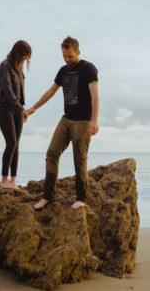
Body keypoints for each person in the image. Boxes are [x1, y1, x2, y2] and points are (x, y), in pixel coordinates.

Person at [25, 36, 99, 210]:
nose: (67, 59)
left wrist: (94, 120)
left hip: (83, 121)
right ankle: (47, 196)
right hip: (66, 119)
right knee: (51, 153)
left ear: (78, 52)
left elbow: (95, 95)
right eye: (64, 56)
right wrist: (34, 108)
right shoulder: (63, 70)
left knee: (79, 160)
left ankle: (81, 198)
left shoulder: (89, 69)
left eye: (70, 56)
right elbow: (51, 91)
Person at [0, 40, 32, 189]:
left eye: (27, 57)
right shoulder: (5, 66)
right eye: (24, 55)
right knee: (11, 143)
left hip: (17, 110)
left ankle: (13, 180)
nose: (25, 59)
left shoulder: (19, 69)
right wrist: (21, 109)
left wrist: (21, 110)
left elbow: (19, 92)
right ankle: (4, 179)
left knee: (16, 145)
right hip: (4, 108)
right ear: (17, 52)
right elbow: (8, 92)